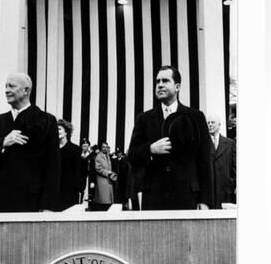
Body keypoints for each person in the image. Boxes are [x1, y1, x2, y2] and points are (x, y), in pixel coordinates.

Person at [128, 66, 213, 210]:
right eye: (157, 81)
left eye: (165, 81)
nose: (160, 84)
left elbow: (204, 161)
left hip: (187, 197)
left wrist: (205, 200)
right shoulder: (144, 119)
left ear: (177, 87)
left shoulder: (196, 117)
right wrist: (150, 149)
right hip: (154, 198)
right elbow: (132, 155)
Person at [0, 73, 60, 212]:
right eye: (5, 86)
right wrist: (2, 142)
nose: (6, 90)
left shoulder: (47, 121)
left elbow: (53, 166)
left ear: (26, 90)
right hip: (0, 201)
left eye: (12, 86)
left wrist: (47, 206)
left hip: (32, 202)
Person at [207, 113, 236, 208]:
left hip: (226, 191)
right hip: (209, 193)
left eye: (213, 122)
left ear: (219, 125)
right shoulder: (203, 144)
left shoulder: (230, 143)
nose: (210, 125)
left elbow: (235, 167)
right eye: (208, 123)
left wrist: (233, 184)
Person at [55, 119, 83, 211]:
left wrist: (78, 188)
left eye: (59, 129)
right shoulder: (52, 149)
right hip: (55, 189)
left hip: (70, 190)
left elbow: (79, 171)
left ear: (66, 132)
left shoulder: (75, 149)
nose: (56, 131)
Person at [92, 142, 117, 211]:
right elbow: (98, 168)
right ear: (101, 148)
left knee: (108, 201)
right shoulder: (98, 156)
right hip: (102, 181)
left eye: (106, 147)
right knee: (103, 201)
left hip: (108, 181)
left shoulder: (108, 156)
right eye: (103, 147)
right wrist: (107, 172)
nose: (105, 148)